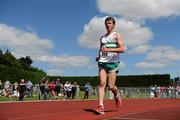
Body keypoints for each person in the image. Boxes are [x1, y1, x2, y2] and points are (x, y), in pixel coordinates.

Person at [95, 16, 125, 114]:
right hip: (103, 62)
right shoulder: (102, 38)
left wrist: (109, 50)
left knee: (111, 86)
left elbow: (122, 49)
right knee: (101, 83)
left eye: (110, 23)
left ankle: (116, 94)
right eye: (106, 23)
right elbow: (101, 49)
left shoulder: (117, 35)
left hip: (113, 63)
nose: (108, 25)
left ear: (114, 25)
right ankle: (100, 106)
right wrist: (98, 56)